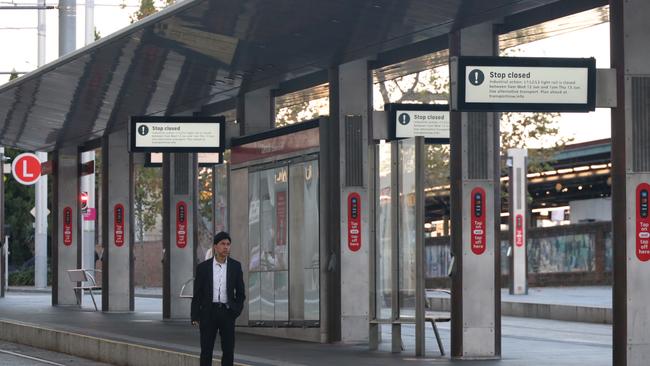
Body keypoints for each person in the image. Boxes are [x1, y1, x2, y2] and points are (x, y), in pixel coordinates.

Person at [191, 231, 246, 366]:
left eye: (228, 244)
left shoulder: (235, 266)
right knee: (206, 350)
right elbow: (197, 293)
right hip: (208, 313)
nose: (226, 247)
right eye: (222, 244)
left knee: (228, 350)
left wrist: (235, 310)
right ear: (215, 246)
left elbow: (240, 293)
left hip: (227, 313)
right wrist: (195, 316)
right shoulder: (203, 268)